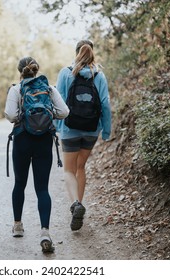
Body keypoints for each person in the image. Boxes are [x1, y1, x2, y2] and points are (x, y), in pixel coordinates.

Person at [4, 57, 69, 253]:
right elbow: (64, 111)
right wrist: (48, 115)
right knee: (42, 188)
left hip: (22, 139)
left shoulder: (16, 89)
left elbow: (10, 115)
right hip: (43, 141)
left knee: (19, 183)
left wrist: (24, 116)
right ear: (36, 69)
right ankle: (45, 232)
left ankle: (17, 225)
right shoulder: (49, 88)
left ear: (19, 71)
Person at [55, 39, 111, 231]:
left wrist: (57, 126)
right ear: (91, 53)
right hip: (91, 129)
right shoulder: (99, 75)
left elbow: (58, 102)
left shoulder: (65, 72)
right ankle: (79, 205)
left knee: (69, 170)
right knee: (81, 167)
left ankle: (76, 205)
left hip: (69, 128)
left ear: (76, 52)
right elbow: (105, 104)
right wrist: (106, 130)